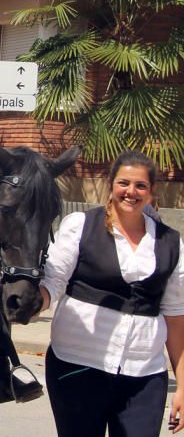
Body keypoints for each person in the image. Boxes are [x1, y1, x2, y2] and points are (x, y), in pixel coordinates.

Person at [38, 151, 184, 436]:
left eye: (140, 185)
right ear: (111, 184)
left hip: (144, 374)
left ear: (152, 192)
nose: (131, 191)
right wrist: (33, 302)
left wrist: (182, 384)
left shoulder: (171, 243)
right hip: (77, 365)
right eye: (124, 183)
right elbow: (53, 282)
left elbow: (176, 317)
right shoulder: (80, 226)